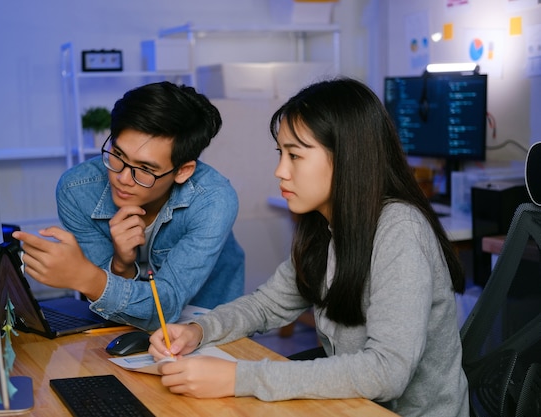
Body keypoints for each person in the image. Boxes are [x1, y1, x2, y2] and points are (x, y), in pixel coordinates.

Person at [148, 78, 470, 417]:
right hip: (349, 405)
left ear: (347, 157)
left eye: (295, 156)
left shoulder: (399, 228)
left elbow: (387, 371)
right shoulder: (323, 225)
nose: (280, 171)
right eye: (280, 153)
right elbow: (266, 306)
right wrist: (198, 331)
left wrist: (238, 378)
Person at [13, 81, 245, 330]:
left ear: (183, 171)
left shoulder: (213, 200)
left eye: (145, 169)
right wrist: (120, 265)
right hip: (124, 329)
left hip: (208, 323)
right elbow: (113, 304)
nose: (122, 178)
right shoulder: (77, 190)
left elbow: (165, 306)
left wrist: (86, 278)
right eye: (118, 155)